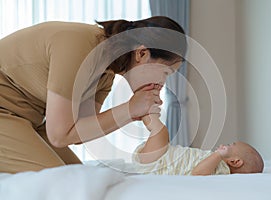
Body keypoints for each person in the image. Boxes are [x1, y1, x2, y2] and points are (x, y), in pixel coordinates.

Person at [0, 16, 186, 173]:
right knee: (61, 181)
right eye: (165, 73)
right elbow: (59, 135)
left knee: (79, 176)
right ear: (142, 53)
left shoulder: (106, 75)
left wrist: (132, 112)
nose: (161, 84)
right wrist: (129, 109)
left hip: (26, 120)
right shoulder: (79, 48)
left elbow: (77, 134)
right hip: (5, 112)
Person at [133, 114, 264, 175]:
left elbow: (197, 173)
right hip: (165, 155)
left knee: (160, 131)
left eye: (230, 145)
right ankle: (143, 110)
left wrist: (218, 155)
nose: (225, 144)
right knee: (160, 131)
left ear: (235, 162)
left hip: (160, 162)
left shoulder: (222, 170)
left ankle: (143, 107)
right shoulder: (219, 164)